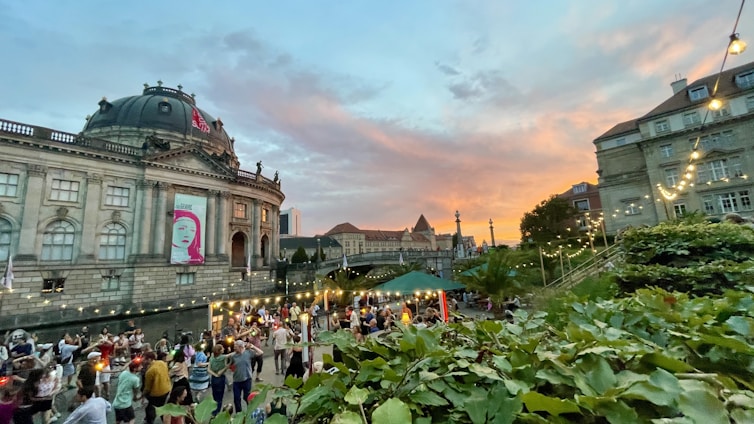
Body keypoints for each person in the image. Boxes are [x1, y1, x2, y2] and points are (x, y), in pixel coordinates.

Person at [229, 340, 264, 413]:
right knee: (236, 398)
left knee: (247, 397)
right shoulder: (233, 356)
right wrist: (232, 368)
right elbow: (231, 365)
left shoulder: (248, 353)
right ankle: (239, 414)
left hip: (247, 379)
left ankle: (250, 411)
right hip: (236, 380)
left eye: (235, 347)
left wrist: (253, 346)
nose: (234, 349)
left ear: (241, 347)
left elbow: (261, 352)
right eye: (234, 348)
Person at [142, 352, 171, 424]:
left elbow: (147, 388)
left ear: (149, 359)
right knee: (161, 407)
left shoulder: (150, 371)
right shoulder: (162, 363)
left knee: (151, 409)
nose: (143, 361)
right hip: (167, 389)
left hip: (157, 393)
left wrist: (143, 395)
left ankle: (150, 421)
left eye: (144, 359)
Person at [207, 345, 228, 417]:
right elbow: (226, 366)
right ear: (219, 351)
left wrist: (214, 375)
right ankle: (216, 412)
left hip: (213, 378)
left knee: (215, 396)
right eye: (222, 349)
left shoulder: (212, 358)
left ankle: (213, 411)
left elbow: (208, 369)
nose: (224, 349)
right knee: (220, 397)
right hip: (221, 378)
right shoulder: (223, 357)